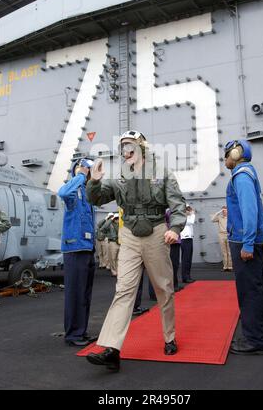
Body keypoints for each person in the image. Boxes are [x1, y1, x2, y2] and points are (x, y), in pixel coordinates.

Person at [85, 130, 186, 371]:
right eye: (122, 147)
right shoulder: (119, 177)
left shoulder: (161, 173)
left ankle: (169, 337)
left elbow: (178, 204)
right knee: (124, 290)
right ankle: (112, 348)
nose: (125, 150)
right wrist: (95, 181)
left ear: (141, 147)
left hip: (156, 232)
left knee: (164, 289)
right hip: (129, 235)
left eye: (129, 145)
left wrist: (176, 228)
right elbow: (97, 199)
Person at [224, 140, 263, 356]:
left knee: (249, 292)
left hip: (243, 241)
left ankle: (256, 341)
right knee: (254, 290)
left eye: (226, 155)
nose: (225, 159)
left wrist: (248, 243)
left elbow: (249, 210)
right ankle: (256, 335)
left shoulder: (241, 176)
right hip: (247, 239)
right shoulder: (247, 173)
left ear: (235, 153)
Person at [58, 158, 97, 347]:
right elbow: (62, 191)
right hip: (75, 248)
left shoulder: (88, 193)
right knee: (75, 293)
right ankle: (73, 334)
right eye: (88, 170)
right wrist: (80, 174)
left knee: (84, 294)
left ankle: (81, 331)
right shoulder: (73, 191)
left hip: (88, 248)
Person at [211, 206, 233, 271]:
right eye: (223, 210)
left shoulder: (230, 218)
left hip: (229, 235)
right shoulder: (220, 217)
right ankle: (225, 267)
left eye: (225, 210)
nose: (224, 211)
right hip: (221, 235)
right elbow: (212, 219)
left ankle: (230, 267)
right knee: (224, 252)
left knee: (229, 252)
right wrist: (219, 212)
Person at [180, 205, 195, 284]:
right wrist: (192, 214)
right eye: (187, 210)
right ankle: (185, 277)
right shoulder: (183, 218)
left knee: (188, 259)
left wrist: (190, 214)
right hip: (185, 239)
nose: (189, 211)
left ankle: (188, 276)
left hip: (189, 238)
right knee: (186, 259)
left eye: (189, 209)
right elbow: (191, 222)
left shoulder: (187, 217)